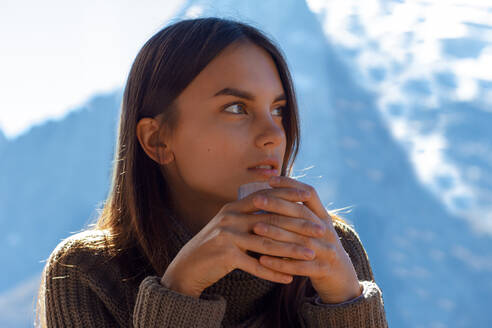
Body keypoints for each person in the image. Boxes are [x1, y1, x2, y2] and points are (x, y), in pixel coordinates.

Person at [36, 17, 388, 327]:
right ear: (157, 139)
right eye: (236, 108)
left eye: (278, 110)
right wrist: (179, 291)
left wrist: (345, 301)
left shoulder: (331, 249)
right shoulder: (86, 272)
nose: (273, 135)